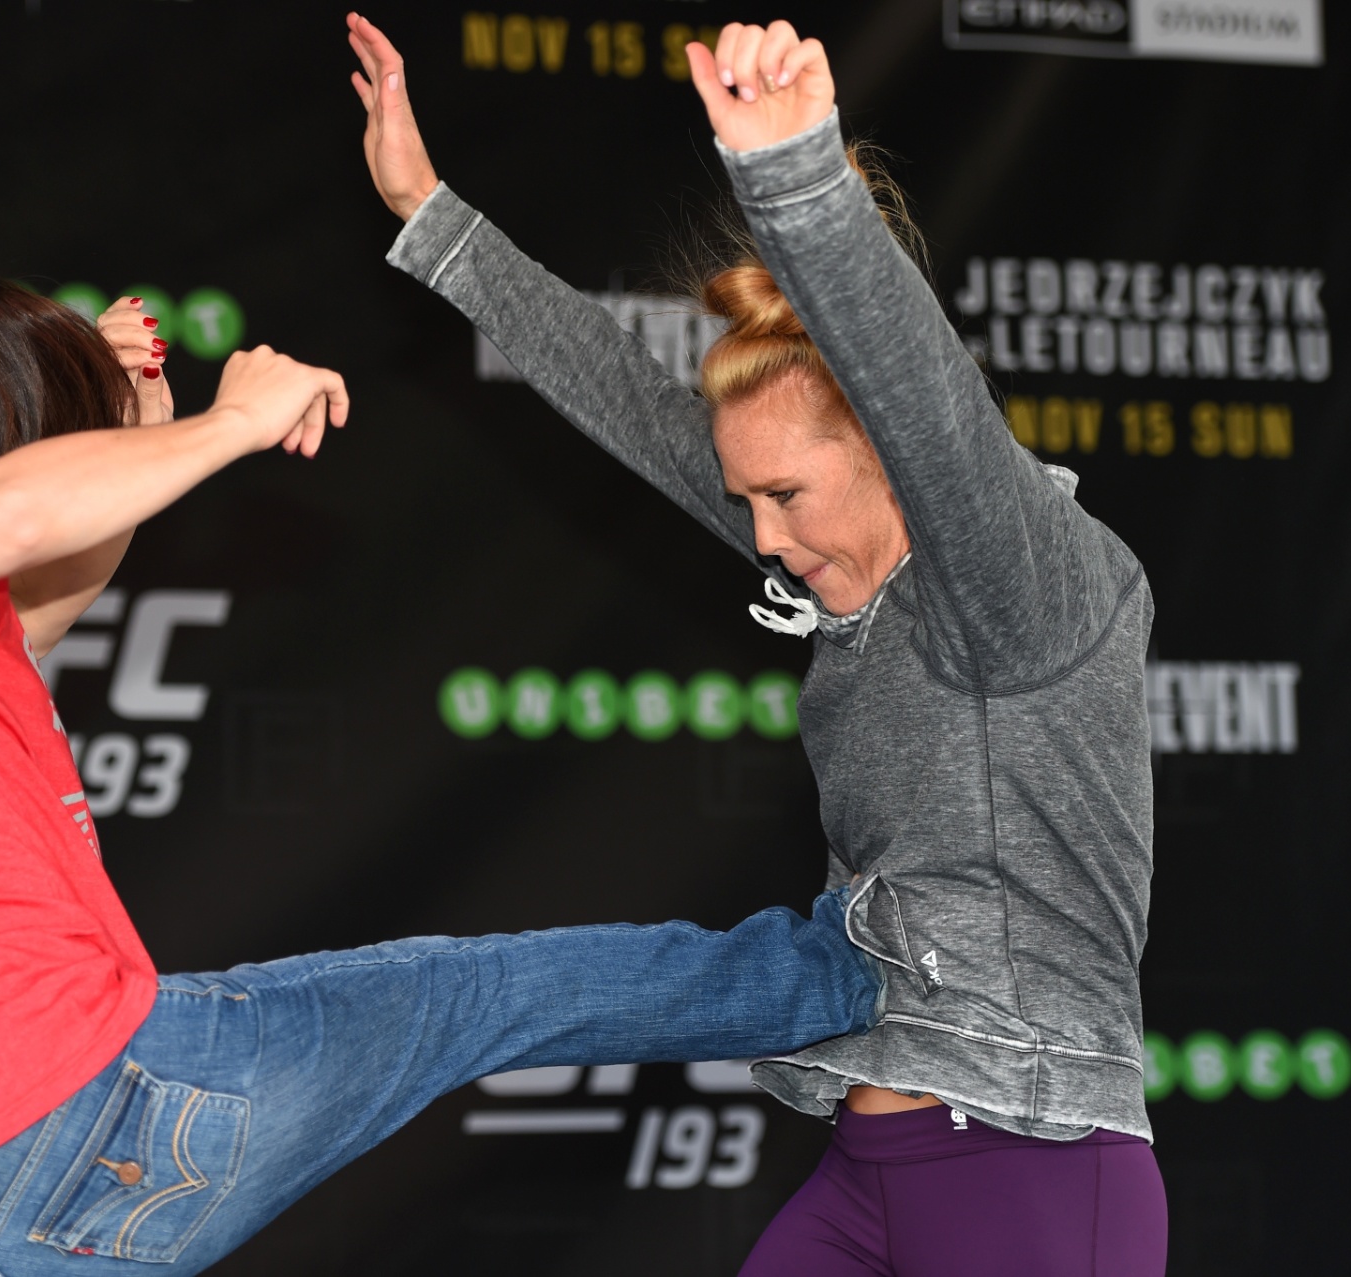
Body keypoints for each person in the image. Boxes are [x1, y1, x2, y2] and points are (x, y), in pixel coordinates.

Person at [0, 255, 883, 1275]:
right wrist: (227, 424)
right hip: (82, 1118)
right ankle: (863, 975)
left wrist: (130, 438)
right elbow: (4, 519)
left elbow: (31, 607)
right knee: (481, 993)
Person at [350, 11, 1167, 1274]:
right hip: (869, 1155)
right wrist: (428, 212)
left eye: (786, 494)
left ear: (892, 457)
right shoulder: (866, 586)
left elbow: (929, 397)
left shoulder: (1026, 585)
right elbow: (627, 399)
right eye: (747, 501)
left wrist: (798, 180)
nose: (763, 535)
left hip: (1031, 1152)